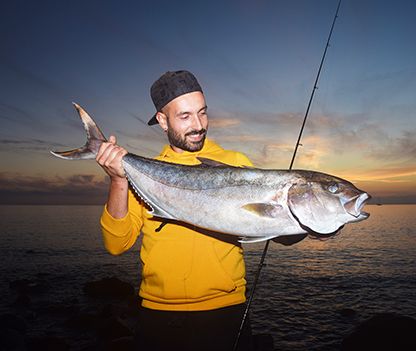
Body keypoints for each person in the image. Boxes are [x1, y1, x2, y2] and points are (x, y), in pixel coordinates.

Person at [96, 70, 254, 351]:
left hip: (225, 311)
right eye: (185, 116)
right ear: (162, 121)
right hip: (158, 315)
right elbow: (116, 244)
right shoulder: (145, 174)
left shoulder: (237, 164)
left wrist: (315, 224)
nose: (198, 125)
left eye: (202, 113)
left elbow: (277, 225)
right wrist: (119, 179)